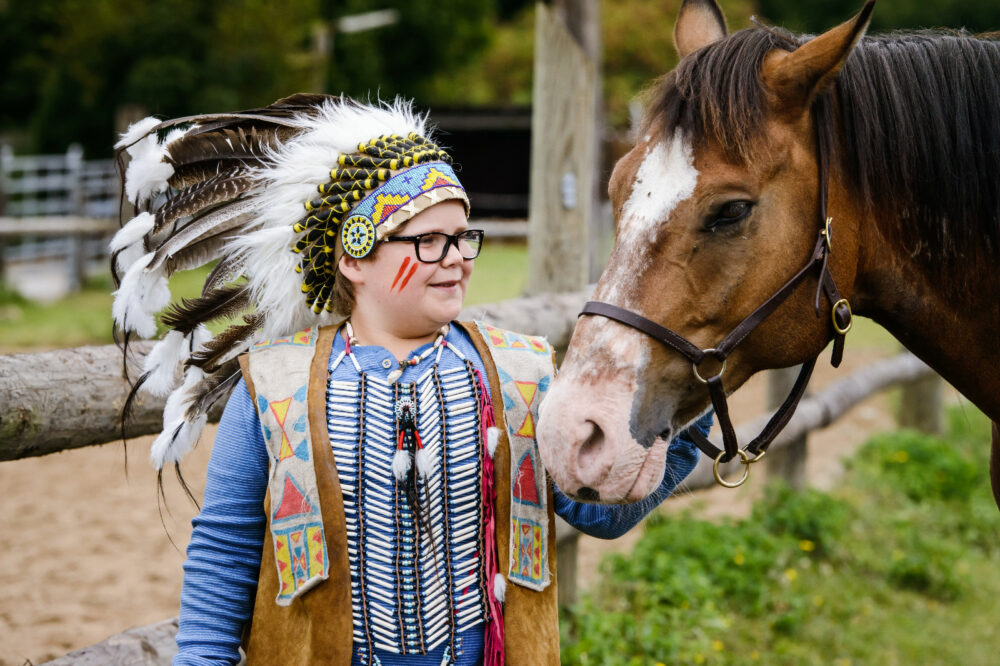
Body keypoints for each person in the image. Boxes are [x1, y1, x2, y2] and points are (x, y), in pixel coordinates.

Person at [111, 95, 712, 666]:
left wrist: (691, 403)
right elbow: (225, 550)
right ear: (354, 257)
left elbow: (599, 515)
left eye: (462, 237)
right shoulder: (272, 387)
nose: (456, 257)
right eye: (427, 240)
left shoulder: (520, 377)